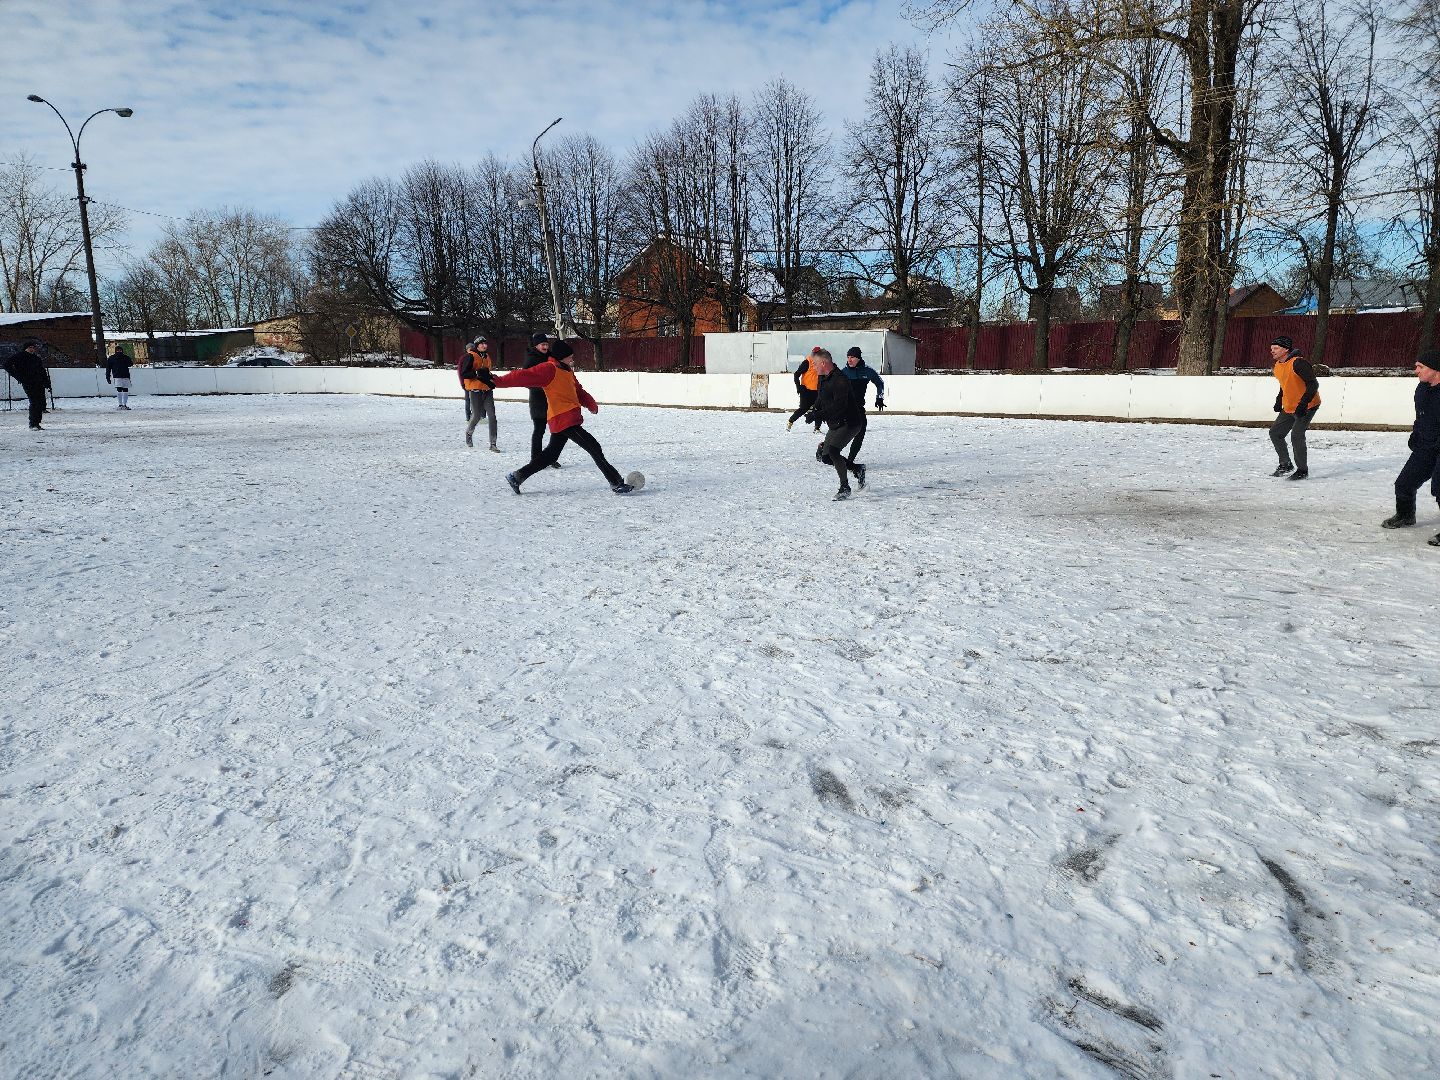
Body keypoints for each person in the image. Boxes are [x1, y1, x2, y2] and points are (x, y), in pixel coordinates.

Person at [481, 340, 634, 494]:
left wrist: (591, 404)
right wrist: (497, 381)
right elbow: (523, 375)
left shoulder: (567, 371)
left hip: (566, 418)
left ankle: (517, 477)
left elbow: (578, 390)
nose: (572, 359)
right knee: (594, 447)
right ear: (561, 357)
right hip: (564, 419)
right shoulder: (549, 369)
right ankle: (616, 482)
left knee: (550, 455)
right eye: (570, 357)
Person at [1381, 349, 1440, 546]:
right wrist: (1416, 434)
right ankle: (1405, 515)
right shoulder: (1422, 389)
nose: (1416, 370)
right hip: (1426, 445)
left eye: (1420, 366)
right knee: (1404, 483)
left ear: (1436, 369)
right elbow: (1421, 415)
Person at [806, 348, 866, 500]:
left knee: (833, 452)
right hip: (836, 423)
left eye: (814, 364)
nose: (813, 367)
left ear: (824, 363)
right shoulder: (823, 377)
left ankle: (844, 487)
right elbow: (821, 396)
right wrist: (814, 409)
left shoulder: (840, 380)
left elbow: (839, 407)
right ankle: (857, 469)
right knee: (826, 457)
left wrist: (817, 415)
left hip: (850, 422)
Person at [1268, 335, 1320, 479]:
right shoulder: (1278, 365)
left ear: (1285, 349)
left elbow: (1313, 384)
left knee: (1296, 435)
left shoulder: (1298, 363)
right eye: (1271, 348)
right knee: (1275, 433)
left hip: (1308, 405)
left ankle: (1302, 470)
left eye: (1276, 348)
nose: (1272, 351)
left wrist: (1303, 404)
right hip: (1290, 406)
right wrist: (1279, 400)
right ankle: (1286, 464)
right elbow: (1285, 384)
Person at [839, 345, 886, 470]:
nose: (849, 360)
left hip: (859, 409)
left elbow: (880, 383)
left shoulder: (867, 371)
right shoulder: (843, 372)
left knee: (860, 434)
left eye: (852, 357)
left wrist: (879, 397)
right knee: (839, 436)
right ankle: (822, 447)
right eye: (848, 357)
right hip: (844, 410)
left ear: (859, 358)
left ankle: (849, 461)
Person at [523, 332, 560, 468]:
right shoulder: (531, 360)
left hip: (552, 400)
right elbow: (525, 380)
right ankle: (535, 459)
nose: (545, 347)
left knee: (555, 431)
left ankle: (550, 457)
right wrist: (542, 387)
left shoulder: (551, 357)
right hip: (538, 400)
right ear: (536, 345)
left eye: (546, 344)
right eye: (542, 344)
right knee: (539, 430)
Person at [2, 339, 51, 430]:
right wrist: (18, 376)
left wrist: (47, 383)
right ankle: (32, 424)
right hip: (28, 382)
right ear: (25, 348)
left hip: (39, 383)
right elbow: (6, 365)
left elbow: (42, 371)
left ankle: (37, 423)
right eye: (30, 347)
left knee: (40, 403)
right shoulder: (19, 356)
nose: (32, 349)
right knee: (34, 402)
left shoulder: (36, 358)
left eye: (33, 347)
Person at [459, 337, 498, 450]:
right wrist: (476, 373)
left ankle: (493, 443)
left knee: (492, 416)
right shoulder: (470, 356)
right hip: (475, 390)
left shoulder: (487, 357)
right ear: (477, 346)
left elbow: (487, 372)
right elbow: (464, 373)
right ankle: (469, 433)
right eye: (481, 344)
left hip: (487, 390)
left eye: (485, 344)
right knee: (476, 415)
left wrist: (491, 377)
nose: (484, 346)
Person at [787, 348, 823, 432]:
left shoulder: (822, 363)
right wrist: (798, 387)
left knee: (819, 409)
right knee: (803, 408)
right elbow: (796, 374)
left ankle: (817, 428)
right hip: (806, 391)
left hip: (817, 391)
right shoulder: (807, 362)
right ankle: (790, 422)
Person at [105, 345, 133, 410]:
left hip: (125, 376)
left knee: (125, 390)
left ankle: (124, 405)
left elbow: (130, 364)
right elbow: (108, 368)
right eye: (118, 350)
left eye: (120, 350)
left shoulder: (125, 357)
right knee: (119, 389)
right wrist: (108, 377)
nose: (119, 352)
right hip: (117, 376)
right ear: (115, 351)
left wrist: (126, 360)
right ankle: (120, 405)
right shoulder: (112, 358)